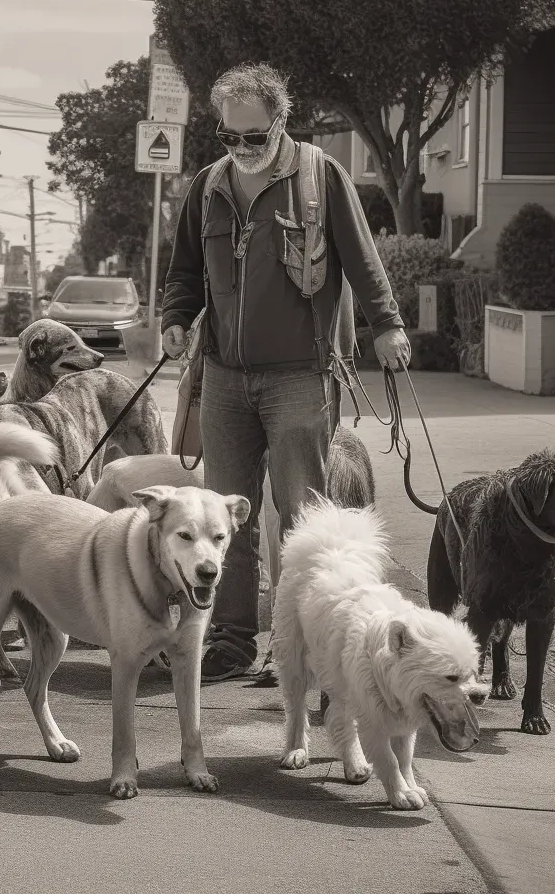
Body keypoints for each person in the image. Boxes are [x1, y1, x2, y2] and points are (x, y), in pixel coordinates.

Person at [160, 62, 410, 681]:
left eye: (254, 136)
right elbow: (186, 268)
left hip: (302, 374)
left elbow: (362, 258)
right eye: (230, 137)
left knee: (302, 523)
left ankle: (295, 648)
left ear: (280, 122)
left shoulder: (323, 178)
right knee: (224, 522)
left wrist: (388, 326)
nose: (242, 149)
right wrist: (175, 316)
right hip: (223, 374)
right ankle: (232, 639)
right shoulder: (208, 186)